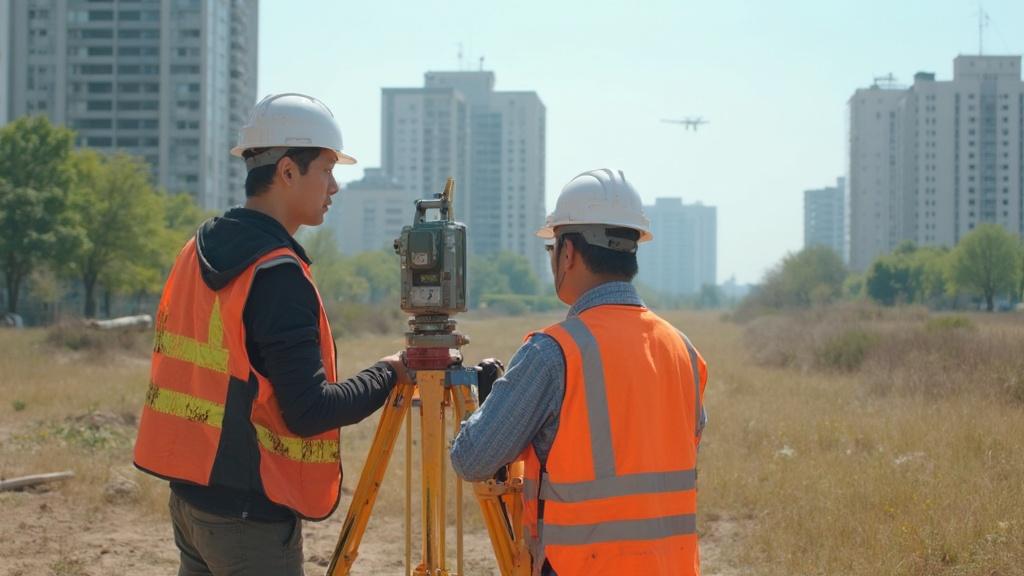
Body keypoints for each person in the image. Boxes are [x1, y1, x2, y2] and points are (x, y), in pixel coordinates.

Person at [134, 93, 410, 576]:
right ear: (287, 171)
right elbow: (309, 411)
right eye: (326, 169)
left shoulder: (195, 251)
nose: (335, 186)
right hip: (249, 520)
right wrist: (391, 371)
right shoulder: (277, 274)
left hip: (192, 502)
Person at [450, 168, 708, 575]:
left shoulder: (553, 353)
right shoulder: (684, 351)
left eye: (553, 249)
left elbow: (472, 459)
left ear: (568, 253)